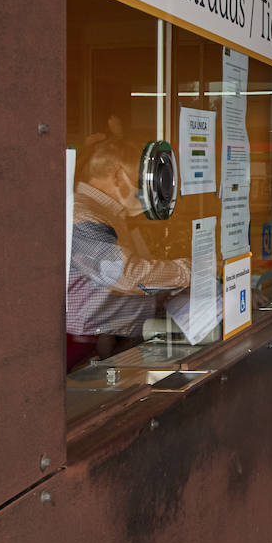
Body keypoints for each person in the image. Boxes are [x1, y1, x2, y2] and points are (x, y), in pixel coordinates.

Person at [66, 138, 190, 371]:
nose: (146, 190)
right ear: (116, 176)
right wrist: (188, 271)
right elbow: (125, 275)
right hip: (87, 350)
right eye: (140, 180)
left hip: (113, 343)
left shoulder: (109, 213)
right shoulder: (82, 215)